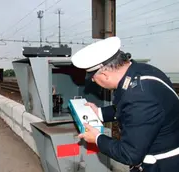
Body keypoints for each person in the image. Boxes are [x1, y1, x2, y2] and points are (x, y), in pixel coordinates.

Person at [70, 36, 179, 172]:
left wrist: (97, 138)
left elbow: (129, 154)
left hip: (161, 166)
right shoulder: (140, 71)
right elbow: (130, 108)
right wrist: (99, 113)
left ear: (104, 75)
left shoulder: (140, 96)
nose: (93, 81)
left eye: (93, 78)